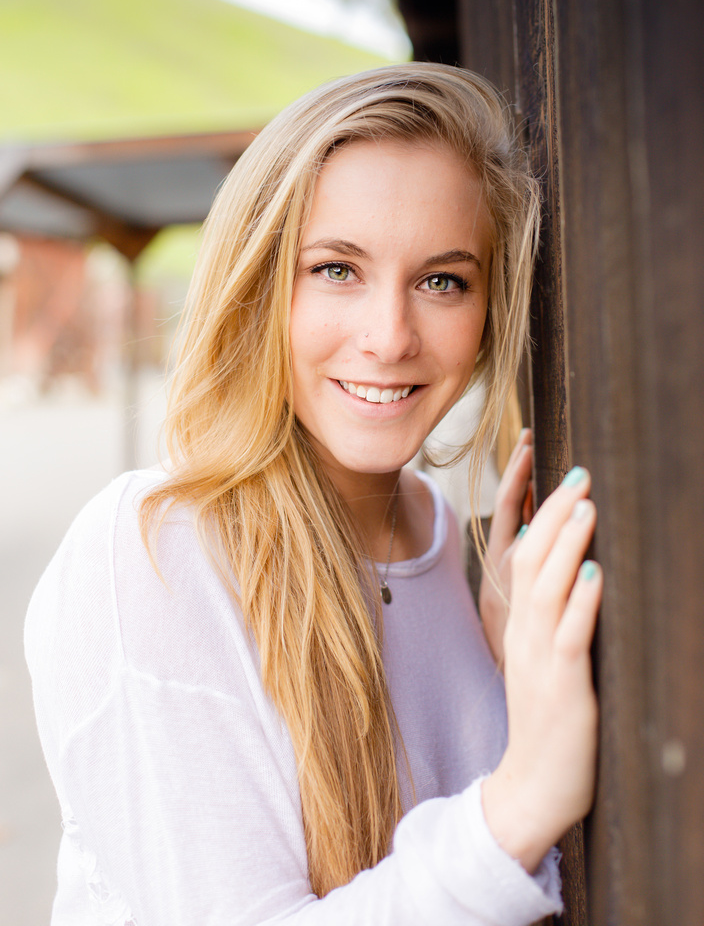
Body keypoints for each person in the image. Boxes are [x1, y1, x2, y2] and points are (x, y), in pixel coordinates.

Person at [26, 63, 601, 926]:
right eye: (337, 269)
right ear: (259, 282)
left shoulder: (448, 545)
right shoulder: (152, 551)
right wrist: (519, 802)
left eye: (443, 280)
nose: (390, 336)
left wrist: (507, 679)